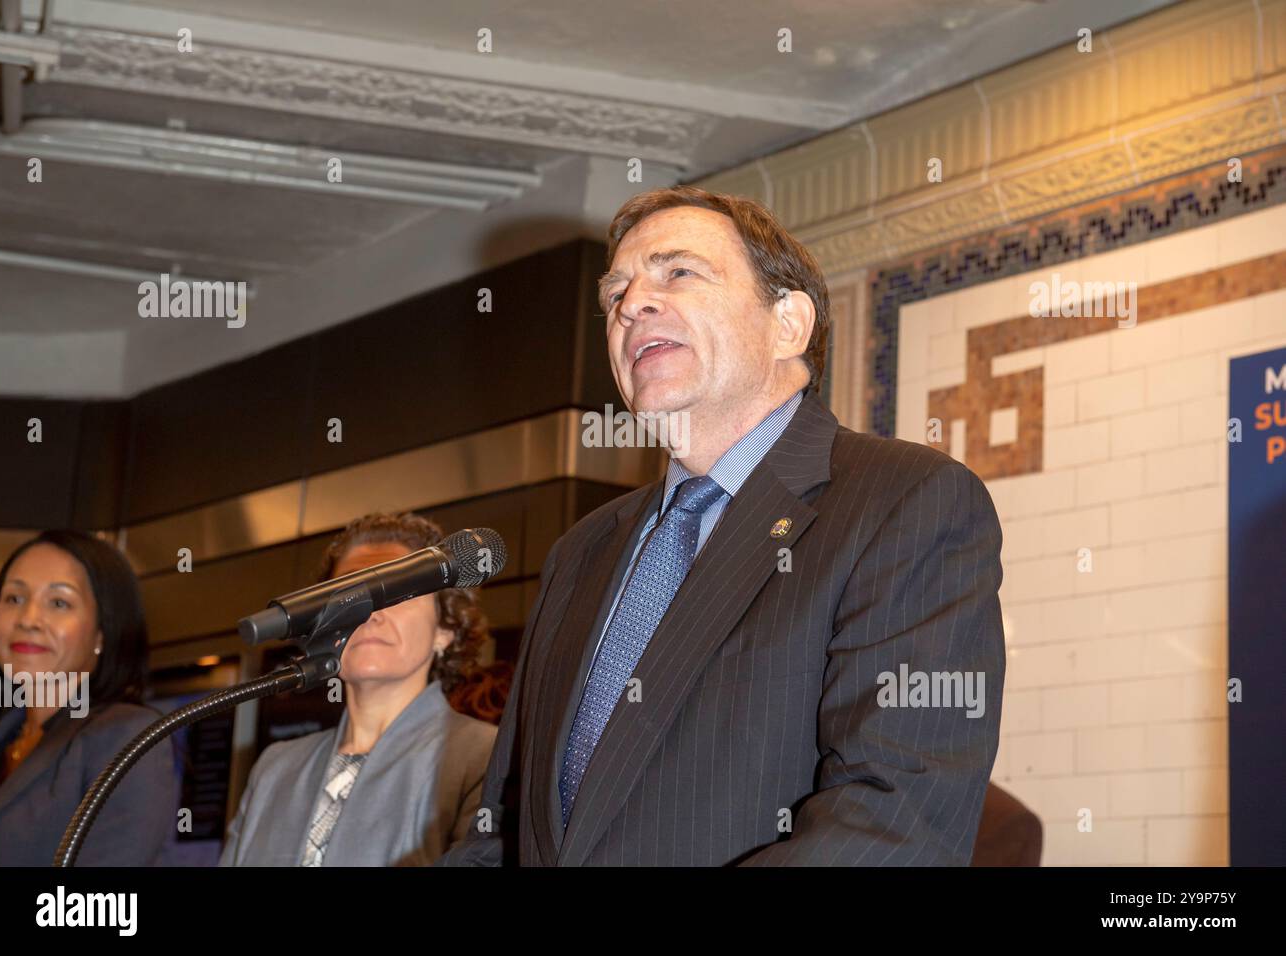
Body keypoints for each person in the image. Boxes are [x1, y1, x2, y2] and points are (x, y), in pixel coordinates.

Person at [439, 185, 1006, 866]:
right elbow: (502, 825)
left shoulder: (905, 501)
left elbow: (893, 816)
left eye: (677, 272)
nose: (631, 304)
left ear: (788, 324)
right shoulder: (581, 551)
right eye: (615, 292)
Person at [220, 512, 497, 866]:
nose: (370, 613)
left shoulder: (485, 759)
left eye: (398, 592)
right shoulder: (274, 769)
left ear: (445, 628)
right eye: (349, 593)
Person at [0, 530, 176, 866]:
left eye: (59, 603)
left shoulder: (127, 736)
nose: (28, 619)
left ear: (103, 631)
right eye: (14, 598)